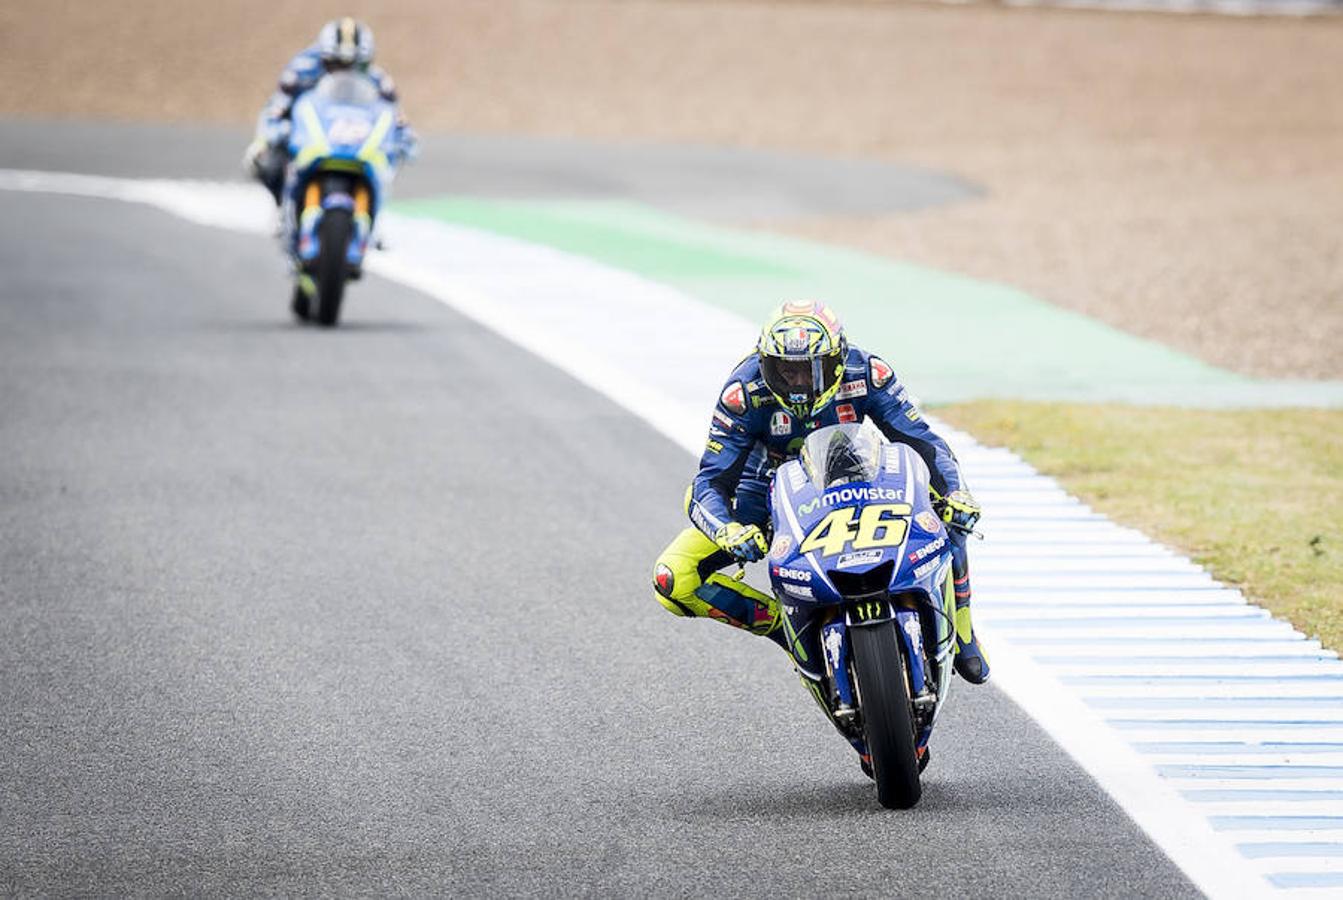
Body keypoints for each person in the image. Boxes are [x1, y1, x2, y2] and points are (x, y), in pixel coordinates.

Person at [651, 300, 989, 684]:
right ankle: (785, 629)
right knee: (673, 577)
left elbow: (924, 443)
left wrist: (958, 493)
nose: (799, 383)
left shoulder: (868, 372)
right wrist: (727, 529)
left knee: (951, 508)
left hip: (857, 474)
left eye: (812, 370)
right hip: (764, 491)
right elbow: (707, 484)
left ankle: (962, 626)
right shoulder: (743, 391)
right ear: (765, 363)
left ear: (838, 360)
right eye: (785, 370)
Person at [243, 17, 417, 205]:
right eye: (337, 64)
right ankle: (282, 207)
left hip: (355, 142)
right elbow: (275, 108)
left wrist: (406, 138)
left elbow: (396, 116)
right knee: (269, 163)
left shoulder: (378, 80)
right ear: (324, 58)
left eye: (355, 65)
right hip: (308, 138)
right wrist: (265, 140)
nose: (346, 71)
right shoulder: (301, 71)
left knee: (385, 167)